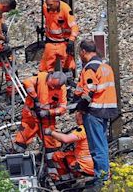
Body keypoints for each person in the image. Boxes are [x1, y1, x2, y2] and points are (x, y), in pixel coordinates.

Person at [74, 39, 118, 186]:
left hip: (94, 111)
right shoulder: (106, 67)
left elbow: (89, 91)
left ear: (83, 52)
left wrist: (80, 109)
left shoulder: (90, 68)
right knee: (102, 145)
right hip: (106, 110)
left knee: (96, 148)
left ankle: (101, 180)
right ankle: (104, 176)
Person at [14, 71, 67, 177]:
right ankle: (14, 168)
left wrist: (48, 112)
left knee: (52, 146)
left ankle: (54, 174)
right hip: (31, 117)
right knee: (21, 141)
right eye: (52, 85)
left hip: (47, 120)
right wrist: (35, 98)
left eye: (56, 86)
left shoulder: (61, 89)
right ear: (50, 78)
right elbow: (27, 82)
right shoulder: (40, 78)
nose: (53, 88)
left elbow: (63, 108)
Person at [44, 111, 94, 181]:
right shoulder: (94, 127)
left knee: (57, 156)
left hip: (86, 165)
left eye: (77, 116)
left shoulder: (83, 129)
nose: (75, 118)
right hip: (93, 162)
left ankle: (65, 178)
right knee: (68, 153)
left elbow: (66, 139)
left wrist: (50, 132)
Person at [39, 0, 79, 74]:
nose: (49, 7)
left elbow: (74, 27)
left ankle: (67, 80)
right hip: (50, 41)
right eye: (47, 4)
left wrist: (71, 40)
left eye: (51, 5)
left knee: (67, 65)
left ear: (57, 2)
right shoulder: (45, 7)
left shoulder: (65, 9)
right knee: (46, 66)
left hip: (63, 42)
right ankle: (47, 81)